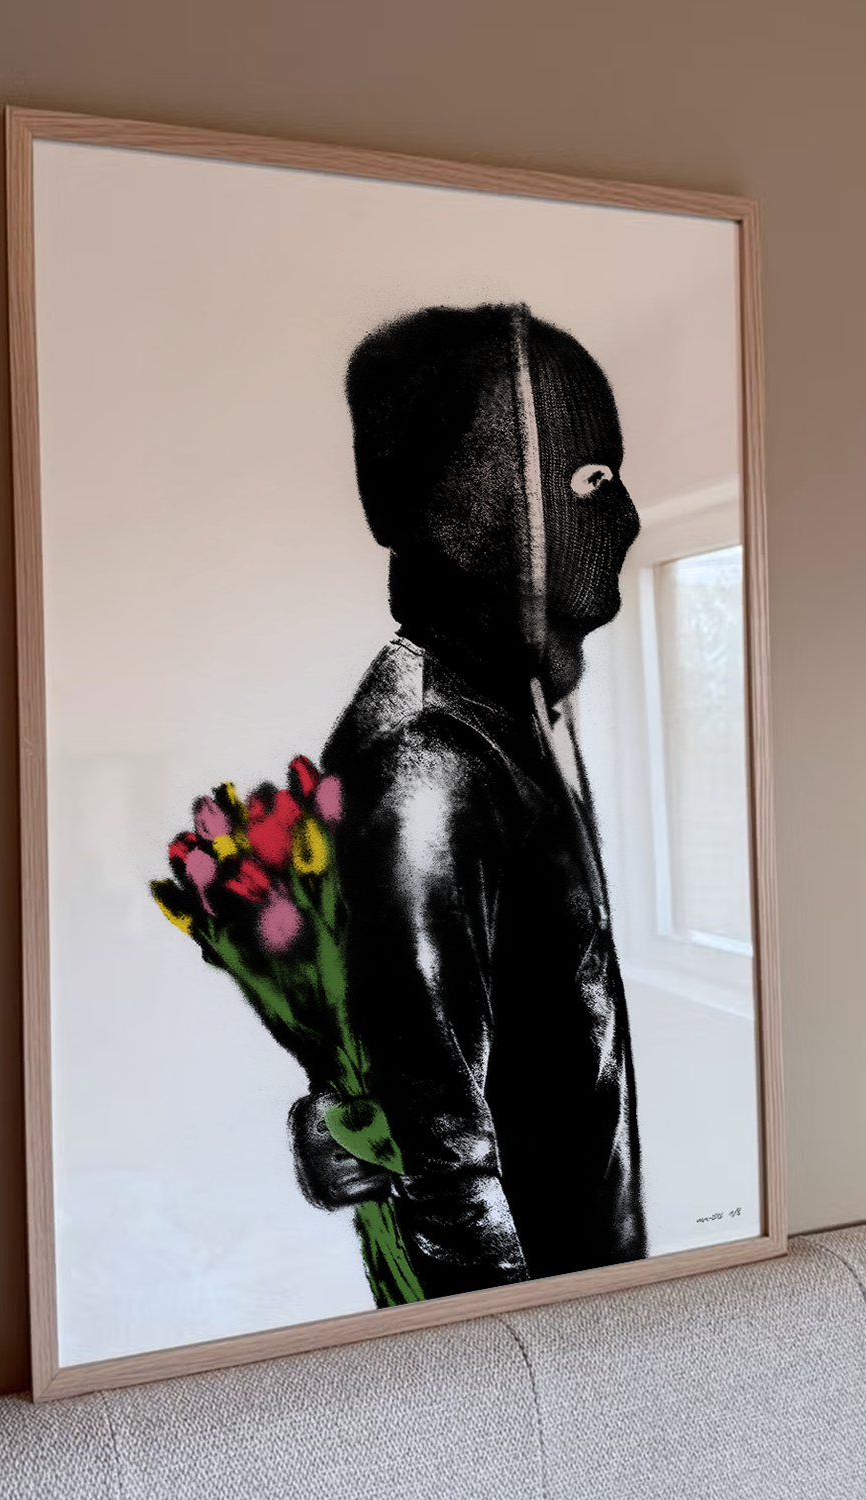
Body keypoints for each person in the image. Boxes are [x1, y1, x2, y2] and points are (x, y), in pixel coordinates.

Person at [290, 303, 646, 1300]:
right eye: (592, 482)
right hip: (557, 1339)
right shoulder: (428, 761)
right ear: (477, 507)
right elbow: (446, 1176)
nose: (625, 519)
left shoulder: (516, 710)